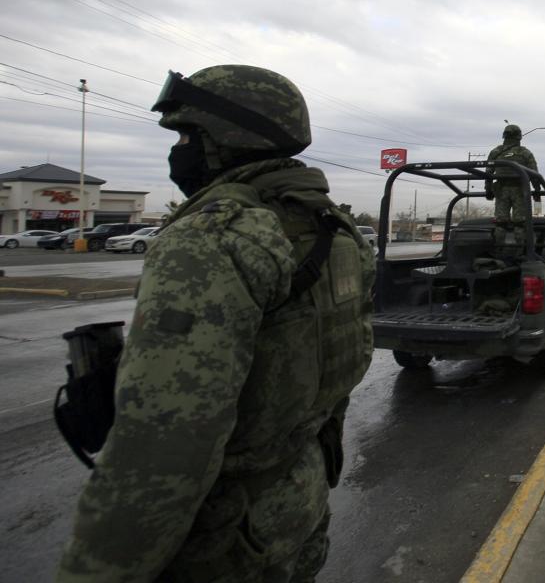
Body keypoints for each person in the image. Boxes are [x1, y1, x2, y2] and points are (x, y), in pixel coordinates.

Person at [57, 65, 374, 582]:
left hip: (223, 539)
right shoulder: (337, 232)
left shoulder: (213, 238)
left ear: (226, 139)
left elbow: (163, 446)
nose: (179, 149)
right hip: (299, 506)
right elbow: (341, 369)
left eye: (187, 134)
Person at [485, 124, 538, 246]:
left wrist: (488, 190)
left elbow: (488, 173)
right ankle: (522, 253)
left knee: (500, 223)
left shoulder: (496, 152)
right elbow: (535, 175)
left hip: (501, 191)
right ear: (519, 137)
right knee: (520, 223)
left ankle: (499, 251)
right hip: (520, 191)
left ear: (504, 136)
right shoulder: (525, 153)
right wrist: (537, 192)